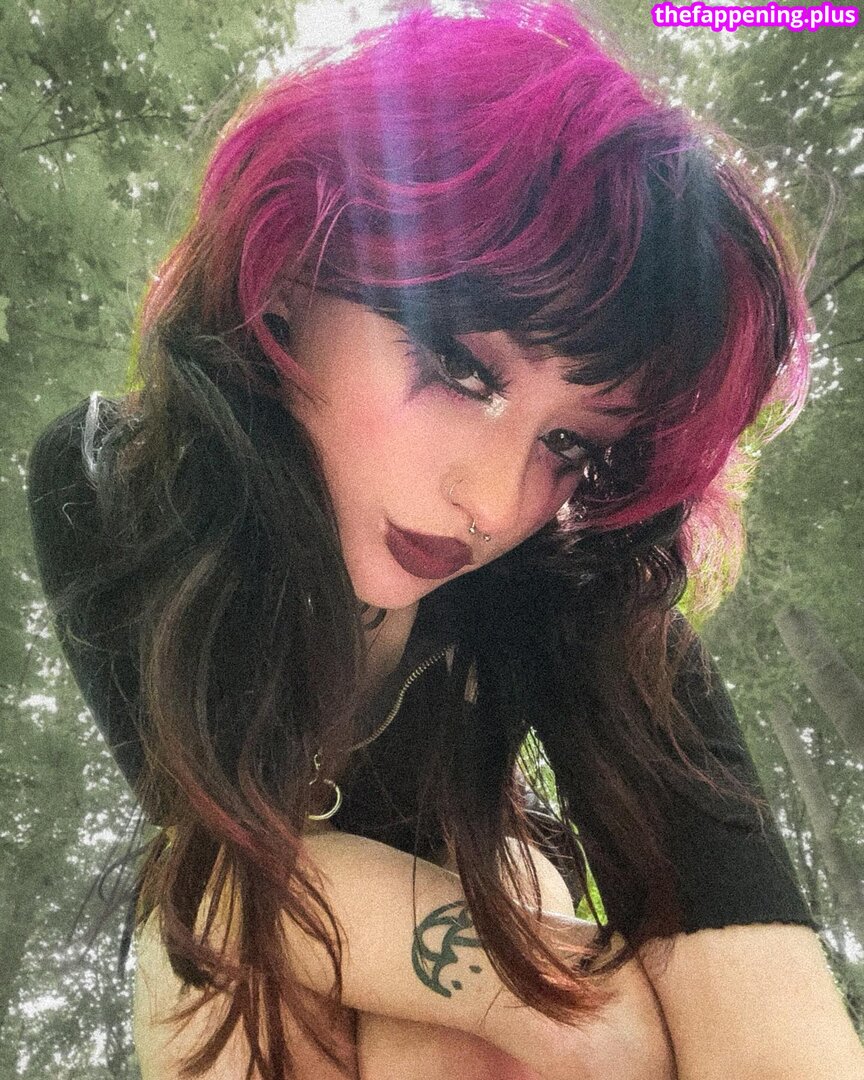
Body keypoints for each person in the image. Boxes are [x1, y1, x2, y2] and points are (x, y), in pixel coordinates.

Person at [26, 2, 864, 1078]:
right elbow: (218, 863)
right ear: (285, 271)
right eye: (461, 367)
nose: (496, 502)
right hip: (252, 917)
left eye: (569, 442)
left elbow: (755, 978)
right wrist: (560, 1000)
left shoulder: (579, 585)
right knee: (212, 975)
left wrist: (543, 993)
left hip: (486, 874)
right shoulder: (114, 483)